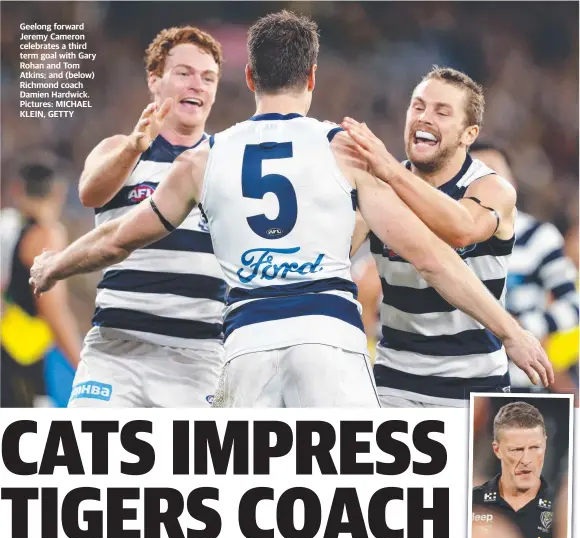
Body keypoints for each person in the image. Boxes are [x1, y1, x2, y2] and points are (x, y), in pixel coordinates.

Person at [30, 11, 552, 408]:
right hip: (328, 338)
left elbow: (119, 237)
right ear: (313, 79)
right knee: (349, 502)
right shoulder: (346, 151)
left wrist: (56, 264)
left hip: (247, 341)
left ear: (250, 78)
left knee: (244, 508)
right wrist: (510, 331)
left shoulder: (204, 158)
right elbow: (432, 258)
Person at [344, 67, 538, 407]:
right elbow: (337, 250)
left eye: (441, 111)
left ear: (469, 134)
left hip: (474, 381)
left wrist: (389, 171)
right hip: (395, 380)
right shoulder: (379, 187)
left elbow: (461, 229)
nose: (424, 117)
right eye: (417, 106)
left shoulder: (492, 188)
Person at [68, 26, 227, 407]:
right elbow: (90, 191)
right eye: (184, 73)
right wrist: (134, 148)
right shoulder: (118, 149)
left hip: (198, 356)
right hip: (117, 348)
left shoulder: (228, 161)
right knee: (83, 459)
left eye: (208, 78)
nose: (197, 85)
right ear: (155, 81)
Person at [469, 142, 579, 394]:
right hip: (458, 382)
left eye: (493, 174)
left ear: (512, 184)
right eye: (475, 176)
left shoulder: (539, 237)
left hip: (522, 386)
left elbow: (573, 304)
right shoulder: (445, 240)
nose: (486, 185)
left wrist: (520, 329)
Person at [1, 161, 82, 407]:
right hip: (22, 353)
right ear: (59, 193)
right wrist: (83, 367)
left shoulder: (6, 226)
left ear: (17, 189)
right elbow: (53, 310)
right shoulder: (47, 235)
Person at [472, 401, 556, 538]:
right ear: (497, 450)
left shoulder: (563, 508)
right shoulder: (470, 500)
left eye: (535, 448)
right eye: (516, 449)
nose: (526, 460)